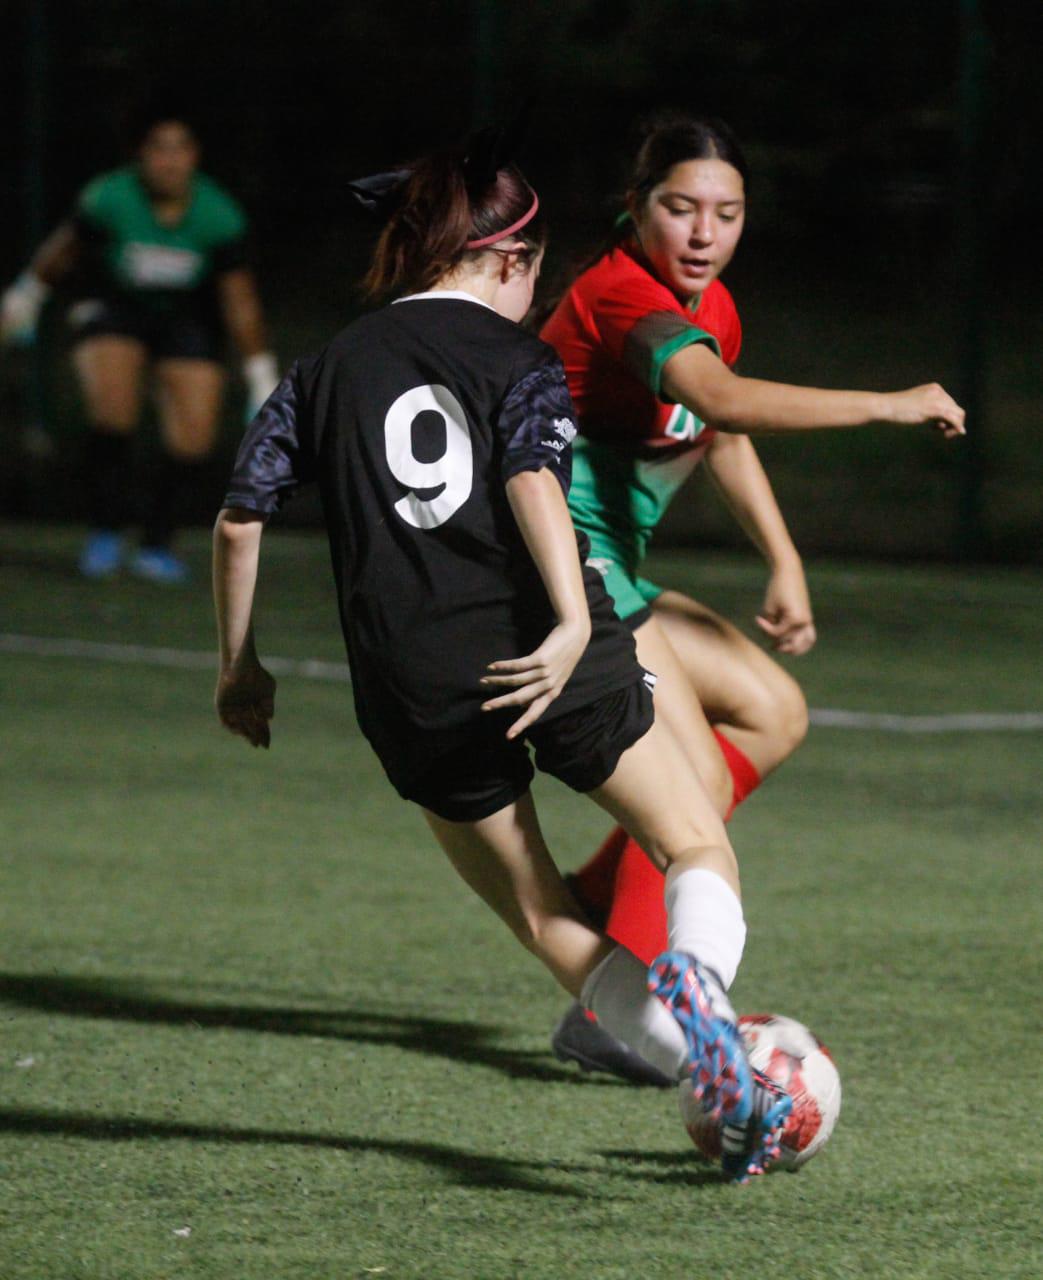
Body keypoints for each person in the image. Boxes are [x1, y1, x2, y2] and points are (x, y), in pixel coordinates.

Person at [212, 131, 795, 1183]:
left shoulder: (326, 367)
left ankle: (699, 1075)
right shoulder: (519, 357)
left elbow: (241, 517)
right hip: (543, 645)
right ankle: (702, 989)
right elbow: (532, 479)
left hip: (411, 685)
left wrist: (238, 665)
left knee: (541, 911)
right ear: (510, 260)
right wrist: (573, 621)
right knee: (693, 845)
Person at [538, 112, 965, 1084]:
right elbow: (722, 399)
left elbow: (714, 428)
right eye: (678, 207)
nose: (701, 232)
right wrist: (887, 401)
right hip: (560, 568)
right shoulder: (618, 293)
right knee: (688, 788)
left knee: (771, 710)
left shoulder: (710, 306)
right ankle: (621, 1007)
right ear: (633, 208)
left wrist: (783, 559)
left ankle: (603, 895)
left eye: (723, 213)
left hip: (616, 568)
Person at [0, 102, 278, 583]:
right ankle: (105, 530)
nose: (169, 160)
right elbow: (65, 249)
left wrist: (260, 376)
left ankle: (156, 542)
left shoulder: (218, 214)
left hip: (187, 321)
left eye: (180, 149)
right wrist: (25, 296)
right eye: (158, 149)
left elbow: (240, 301)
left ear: (195, 156)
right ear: (140, 155)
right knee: (112, 410)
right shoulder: (111, 196)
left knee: (193, 438)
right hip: (115, 308)